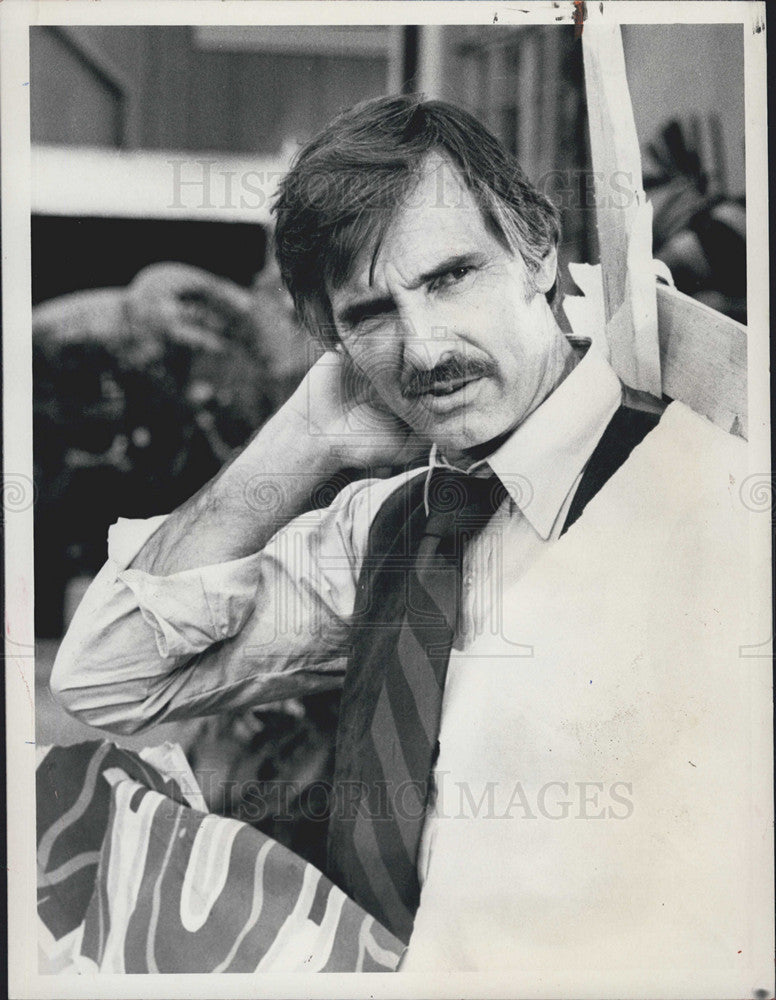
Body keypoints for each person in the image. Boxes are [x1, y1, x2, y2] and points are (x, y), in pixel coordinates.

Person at [51, 95, 665, 948]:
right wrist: (303, 440)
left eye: (451, 276)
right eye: (370, 314)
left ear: (538, 252)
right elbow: (106, 678)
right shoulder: (386, 527)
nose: (423, 349)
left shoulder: (689, 487)